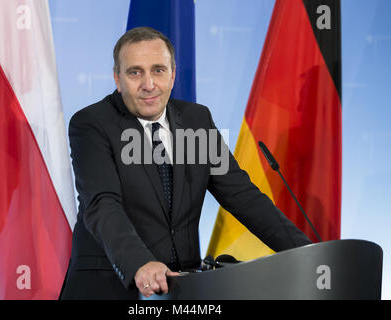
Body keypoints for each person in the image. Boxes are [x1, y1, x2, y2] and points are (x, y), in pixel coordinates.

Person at [59, 27, 311, 300]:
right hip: (109, 289)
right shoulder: (91, 124)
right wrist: (140, 263)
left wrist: (312, 255)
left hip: (181, 291)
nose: (149, 84)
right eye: (135, 72)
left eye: (158, 70)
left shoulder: (197, 120)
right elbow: (102, 204)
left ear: (173, 75)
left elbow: (244, 198)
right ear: (117, 79)